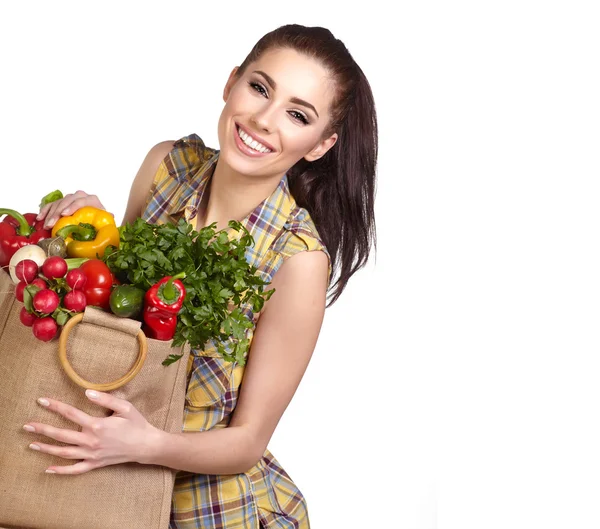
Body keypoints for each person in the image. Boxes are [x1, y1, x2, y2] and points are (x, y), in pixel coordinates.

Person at [29, 23, 378, 528]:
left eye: (297, 114)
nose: (262, 120)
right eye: (259, 87)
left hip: (212, 511)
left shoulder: (297, 259)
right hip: (105, 495)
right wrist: (94, 239)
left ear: (321, 145)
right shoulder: (166, 167)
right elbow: (121, 327)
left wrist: (145, 445)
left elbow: (247, 441)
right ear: (231, 82)